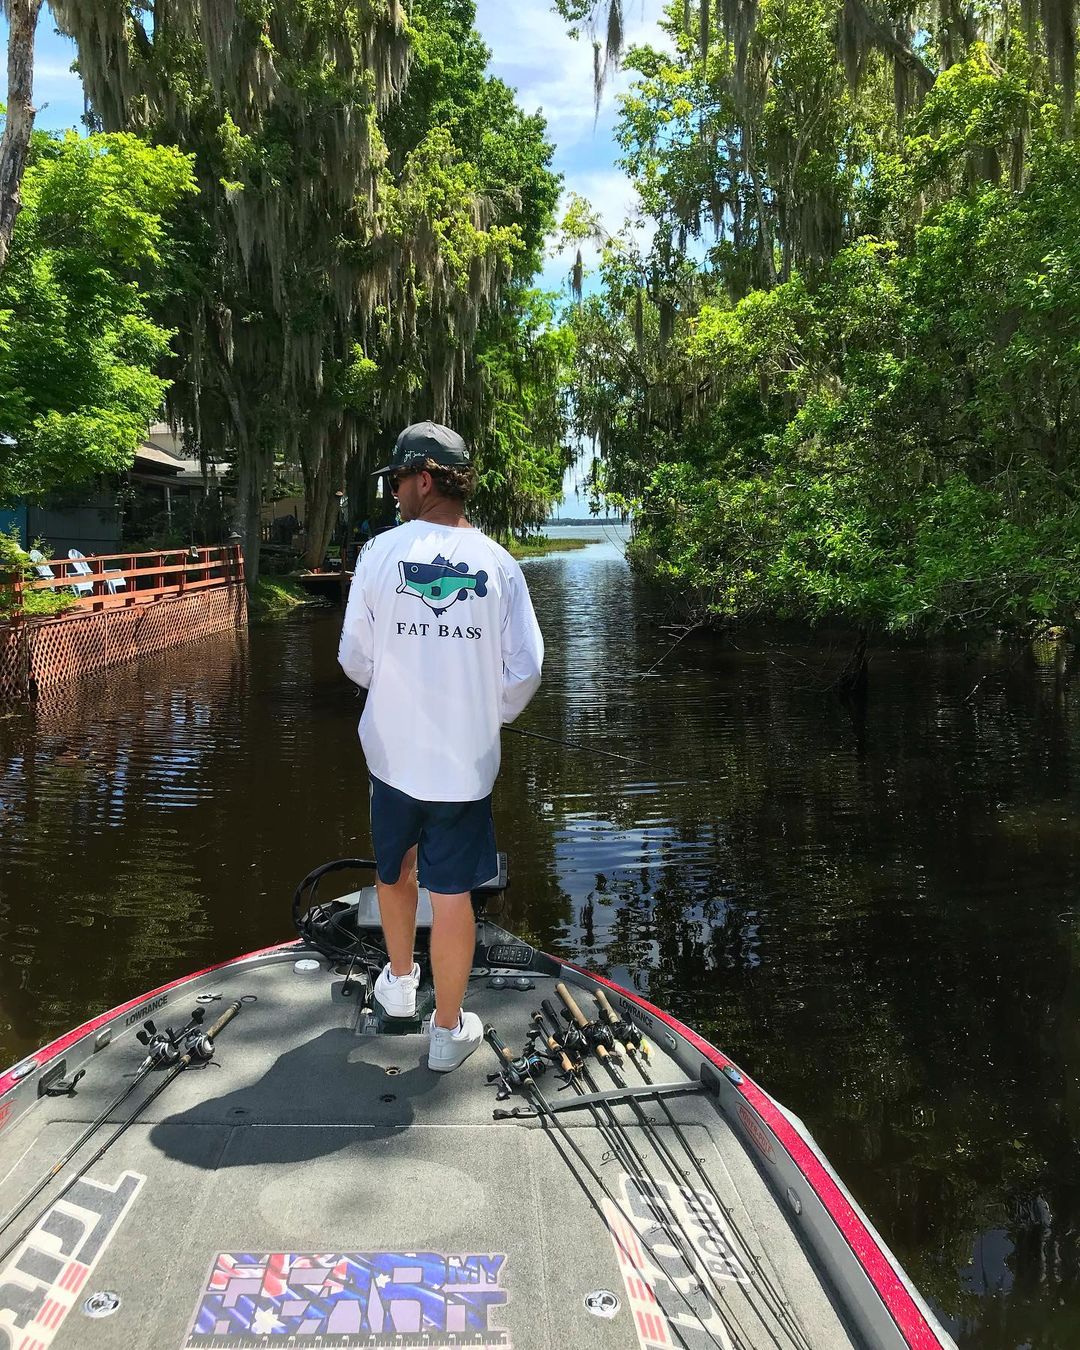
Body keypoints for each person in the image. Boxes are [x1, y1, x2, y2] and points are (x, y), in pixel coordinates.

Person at [338, 421, 544, 1072]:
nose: (396, 493)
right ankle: (446, 1032)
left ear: (423, 478)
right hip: (463, 769)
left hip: (393, 762)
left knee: (394, 870)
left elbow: (354, 659)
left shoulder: (377, 555)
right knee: (452, 895)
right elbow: (526, 671)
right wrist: (487, 715)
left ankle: (400, 988)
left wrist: (399, 683)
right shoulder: (501, 565)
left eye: (399, 481)